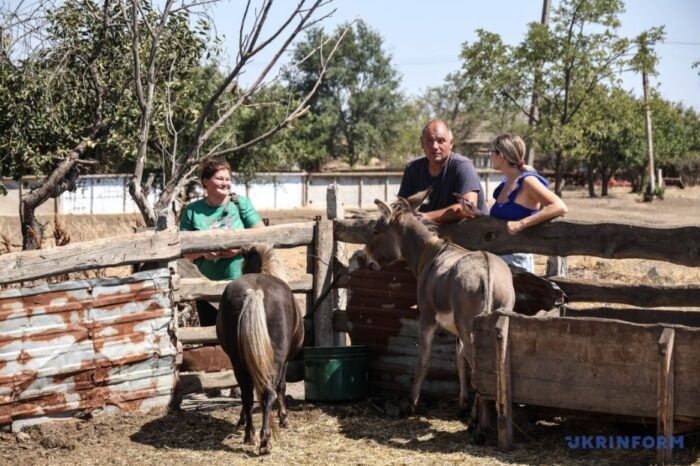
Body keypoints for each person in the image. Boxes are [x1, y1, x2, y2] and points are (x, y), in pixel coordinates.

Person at [180, 157, 265, 326]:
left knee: (241, 332)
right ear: (205, 182)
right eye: (220, 178)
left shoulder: (241, 204)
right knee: (210, 334)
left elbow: (262, 235)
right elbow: (184, 251)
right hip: (206, 288)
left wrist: (239, 249)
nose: (225, 183)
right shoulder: (192, 211)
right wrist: (204, 252)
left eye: (228, 179)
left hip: (242, 285)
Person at [471, 133, 567, 272]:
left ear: (501, 156)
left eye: (491, 151)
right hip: (496, 255)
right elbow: (502, 219)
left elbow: (559, 206)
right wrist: (476, 213)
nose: (490, 155)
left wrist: (521, 224)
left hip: (517, 259)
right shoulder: (506, 183)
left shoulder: (527, 181)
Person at [398, 119, 487, 223]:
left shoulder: (462, 166)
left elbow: (468, 209)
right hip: (431, 230)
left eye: (441, 141)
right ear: (422, 143)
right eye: (429, 140)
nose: (434, 146)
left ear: (451, 143)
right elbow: (401, 208)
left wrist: (426, 217)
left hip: (473, 231)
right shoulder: (412, 168)